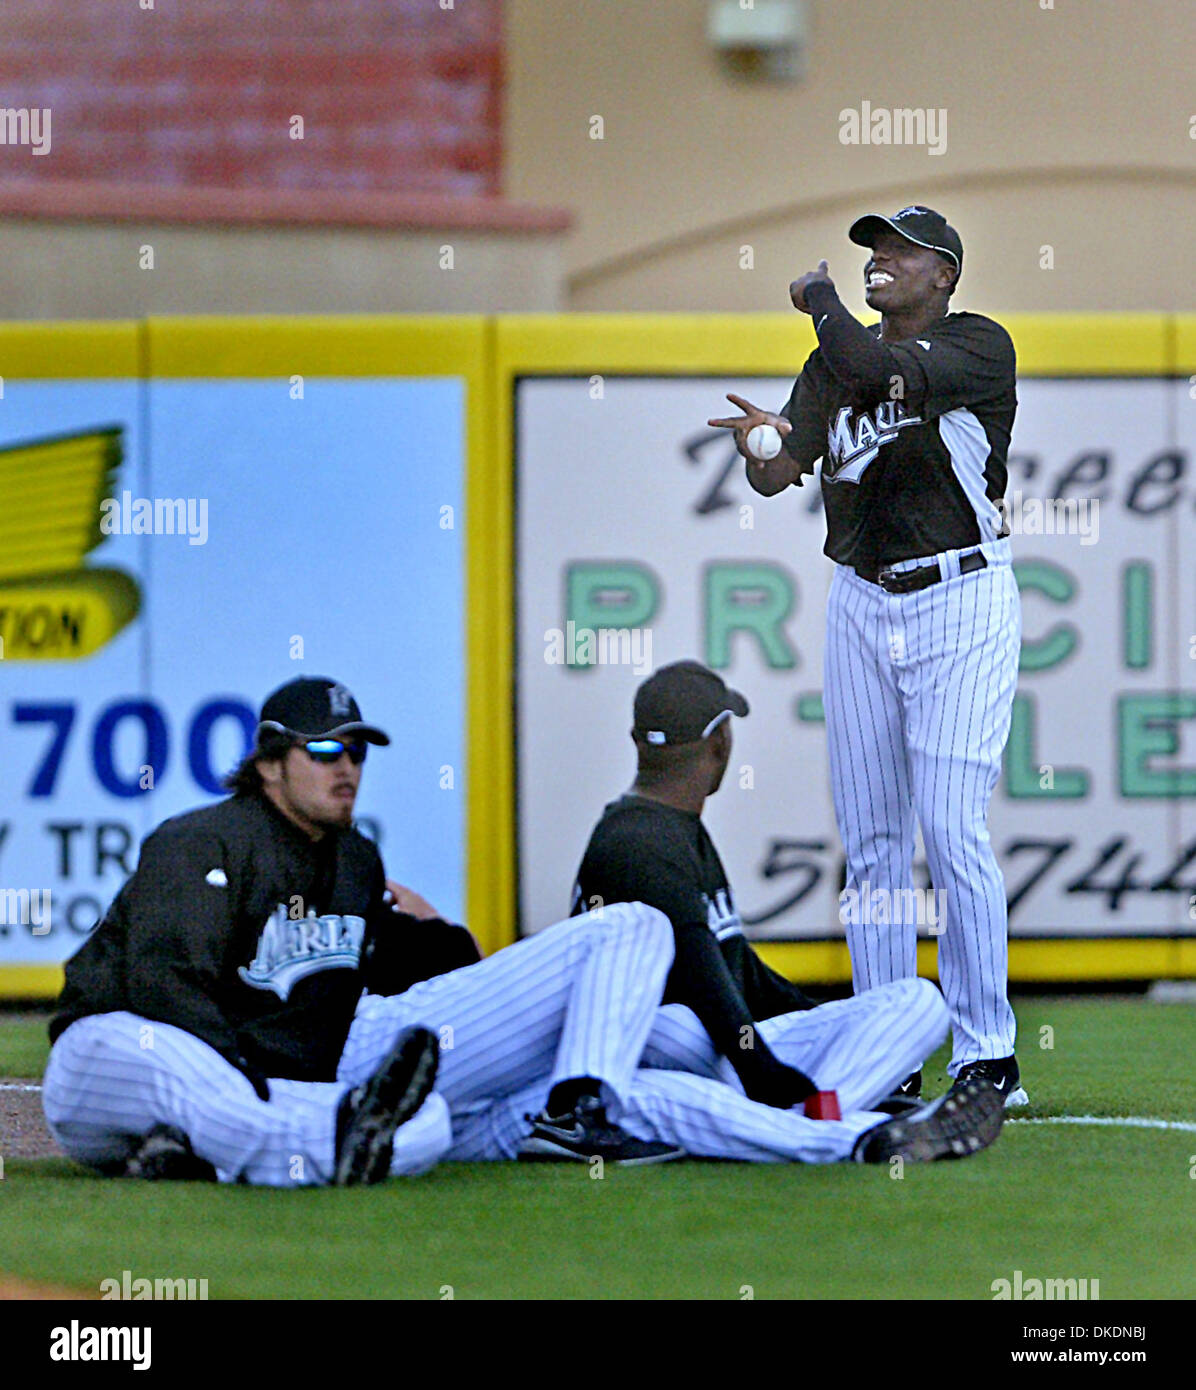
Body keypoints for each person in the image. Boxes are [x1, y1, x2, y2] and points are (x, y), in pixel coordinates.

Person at [43, 676, 680, 1184]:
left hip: (259, 1089)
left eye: (356, 751)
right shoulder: (202, 841)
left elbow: (386, 968)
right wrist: (256, 1086)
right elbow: (164, 985)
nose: (345, 767)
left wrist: (445, 938)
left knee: (427, 1122)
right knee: (195, 1075)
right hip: (116, 1058)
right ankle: (280, 1142)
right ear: (268, 763)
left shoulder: (354, 858)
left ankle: (209, 1157)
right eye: (322, 750)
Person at [707, 205, 1026, 1106]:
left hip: (960, 594)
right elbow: (782, 471)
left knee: (952, 826)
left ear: (945, 275)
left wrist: (817, 304)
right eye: (872, 251)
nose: (880, 261)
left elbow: (878, 369)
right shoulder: (833, 360)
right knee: (873, 839)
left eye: (900, 251)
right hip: (861, 599)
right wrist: (759, 447)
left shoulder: (975, 346)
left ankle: (987, 1050)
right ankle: (889, 1047)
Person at [568, 659, 954, 1121]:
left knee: (899, 1003)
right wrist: (762, 1069)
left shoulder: (660, 825)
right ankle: (820, 1110)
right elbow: (702, 980)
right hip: (672, 1041)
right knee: (920, 1002)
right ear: (720, 742)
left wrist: (824, 1019)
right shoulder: (640, 840)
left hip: (712, 1043)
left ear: (637, 742)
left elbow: (736, 967)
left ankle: (832, 1096)